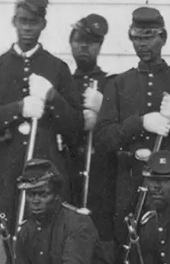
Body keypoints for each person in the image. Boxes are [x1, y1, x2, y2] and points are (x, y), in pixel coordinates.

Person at [95, 7, 170, 256]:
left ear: (163, 37)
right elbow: (102, 139)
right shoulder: (118, 84)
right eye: (136, 37)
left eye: (148, 37)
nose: (142, 44)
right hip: (130, 186)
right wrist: (139, 123)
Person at [0, 0, 85, 233]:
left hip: (48, 171)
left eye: (33, 22)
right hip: (9, 170)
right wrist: (19, 108)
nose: (27, 28)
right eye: (22, 21)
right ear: (14, 21)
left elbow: (76, 127)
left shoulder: (58, 68)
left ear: (43, 24)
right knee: (11, 235)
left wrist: (52, 96)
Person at [64, 13, 120, 262]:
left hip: (102, 179)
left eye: (91, 42)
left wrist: (103, 108)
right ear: (71, 44)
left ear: (100, 45)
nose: (84, 47)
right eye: (78, 41)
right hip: (70, 174)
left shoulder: (112, 84)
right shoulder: (63, 82)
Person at [13, 159, 99, 264]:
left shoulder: (77, 223)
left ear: (56, 195)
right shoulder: (26, 230)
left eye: (43, 194)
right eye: (30, 194)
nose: (35, 201)